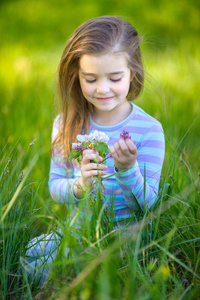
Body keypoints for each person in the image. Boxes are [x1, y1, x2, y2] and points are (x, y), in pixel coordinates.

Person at [25, 15, 165, 284]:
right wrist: (80, 185)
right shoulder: (66, 123)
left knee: (100, 273)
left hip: (128, 239)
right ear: (75, 75)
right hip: (79, 232)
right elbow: (55, 187)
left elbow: (147, 204)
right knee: (36, 256)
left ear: (132, 73)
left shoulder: (148, 130)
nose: (102, 89)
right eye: (90, 79)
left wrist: (127, 170)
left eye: (115, 78)